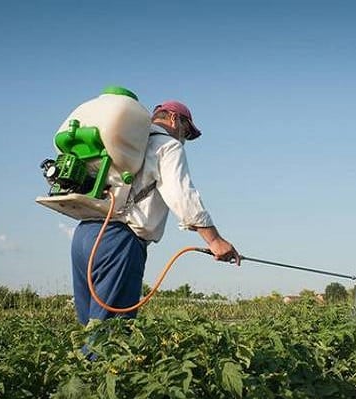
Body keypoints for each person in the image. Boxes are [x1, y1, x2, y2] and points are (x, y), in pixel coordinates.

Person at [71, 100, 240, 325]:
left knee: (88, 327)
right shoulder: (167, 145)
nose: (184, 138)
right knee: (110, 338)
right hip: (118, 240)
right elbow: (181, 194)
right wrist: (215, 240)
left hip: (85, 235)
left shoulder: (124, 143)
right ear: (173, 118)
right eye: (186, 131)